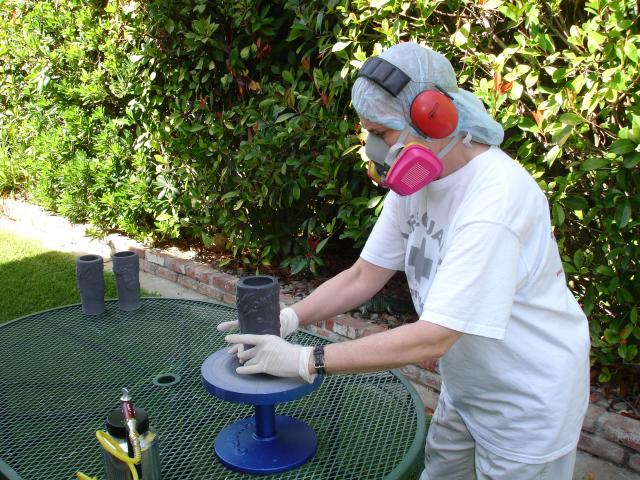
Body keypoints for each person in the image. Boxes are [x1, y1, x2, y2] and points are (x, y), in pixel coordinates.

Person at [218, 42, 590, 480]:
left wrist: (306, 361)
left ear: (435, 117)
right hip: (468, 386)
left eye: (382, 132)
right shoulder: (418, 181)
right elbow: (363, 275)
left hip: (527, 403)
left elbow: (433, 337)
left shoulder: (495, 201)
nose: (374, 148)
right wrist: (290, 318)